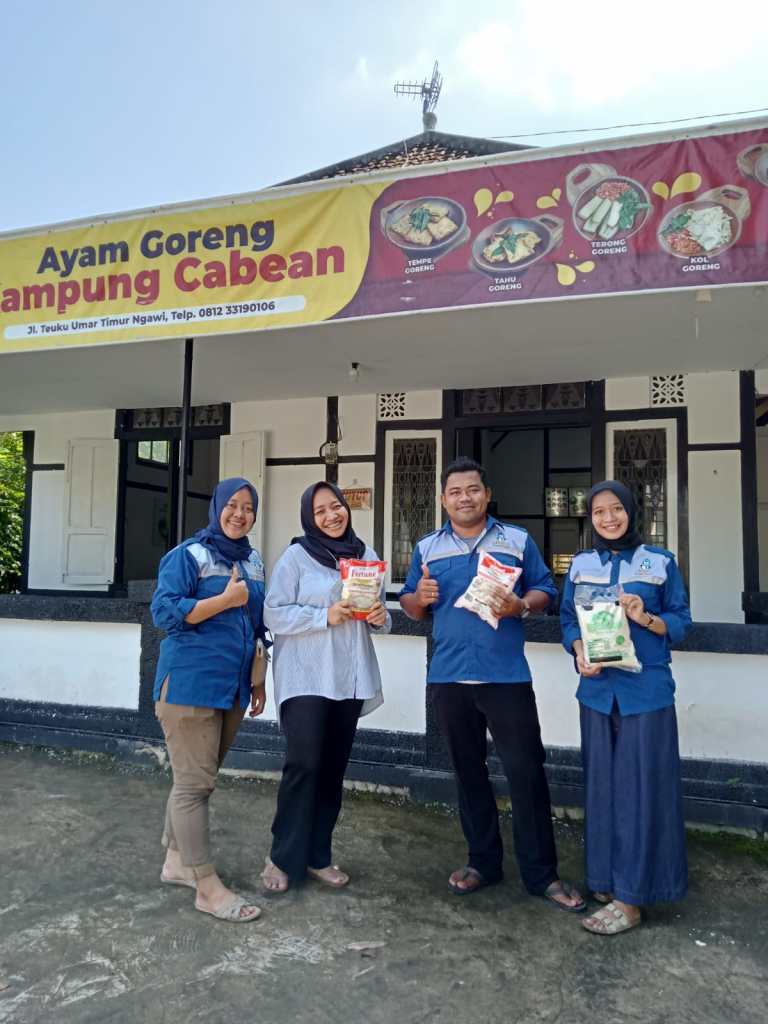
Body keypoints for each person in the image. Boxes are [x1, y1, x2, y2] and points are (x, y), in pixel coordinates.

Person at [400, 456, 585, 912]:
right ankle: (483, 862)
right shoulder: (427, 547)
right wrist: (418, 598)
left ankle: (542, 874)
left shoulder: (516, 540)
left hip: (506, 676)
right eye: (455, 492)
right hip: (449, 676)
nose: (464, 498)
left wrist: (519, 605)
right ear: (443, 499)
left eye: (472, 489)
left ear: (487, 494)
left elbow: (546, 590)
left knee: (526, 771)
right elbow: (412, 606)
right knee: (468, 773)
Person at [559, 481, 692, 935]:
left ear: (632, 511)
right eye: (599, 511)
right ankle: (605, 879)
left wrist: (645, 618)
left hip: (645, 693)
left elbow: (681, 622)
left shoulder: (660, 562)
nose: (609, 518)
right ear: (590, 518)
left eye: (617, 508)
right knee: (602, 787)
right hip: (597, 692)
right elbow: (566, 620)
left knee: (641, 791)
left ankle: (632, 898)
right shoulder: (581, 564)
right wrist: (579, 651)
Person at [261, 481, 390, 893]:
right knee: (304, 765)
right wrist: (323, 616)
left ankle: (318, 856)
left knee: (333, 769)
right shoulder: (296, 557)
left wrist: (380, 617)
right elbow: (273, 614)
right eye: (320, 511)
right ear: (308, 518)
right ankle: (282, 857)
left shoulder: (365, 555)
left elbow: (377, 615)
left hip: (348, 677)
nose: (331, 516)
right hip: (306, 677)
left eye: (336, 506)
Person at [151, 477, 267, 923]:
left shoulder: (253, 561)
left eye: (248, 507)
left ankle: (176, 863)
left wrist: (258, 679)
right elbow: (165, 613)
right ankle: (206, 887)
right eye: (232, 505)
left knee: (193, 780)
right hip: (190, 685)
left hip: (233, 687)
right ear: (216, 507)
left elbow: (256, 623)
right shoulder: (189, 555)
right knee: (194, 786)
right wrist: (224, 600)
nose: (240, 514)